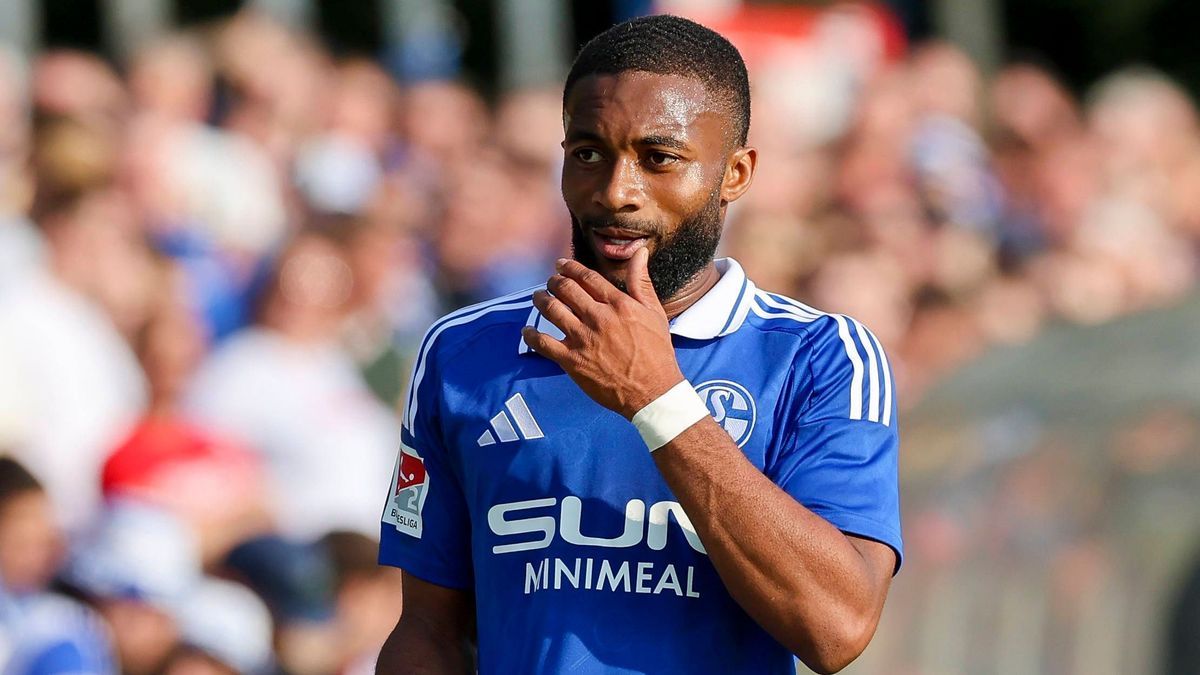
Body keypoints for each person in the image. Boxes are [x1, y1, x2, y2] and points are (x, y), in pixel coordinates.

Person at [376, 15, 901, 675]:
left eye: (660, 158)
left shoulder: (822, 357)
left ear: (734, 173)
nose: (616, 192)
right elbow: (428, 629)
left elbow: (837, 626)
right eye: (588, 153)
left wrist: (657, 398)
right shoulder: (463, 352)